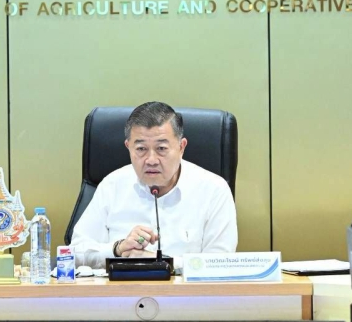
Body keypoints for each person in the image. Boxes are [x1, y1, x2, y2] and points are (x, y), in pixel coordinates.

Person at [70, 101, 238, 269]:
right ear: (128, 147)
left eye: (161, 148)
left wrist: (161, 262)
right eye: (141, 149)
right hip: (120, 286)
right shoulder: (112, 185)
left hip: (183, 287)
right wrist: (118, 249)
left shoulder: (214, 190)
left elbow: (219, 265)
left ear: (181, 147)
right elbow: (74, 254)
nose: (151, 160)